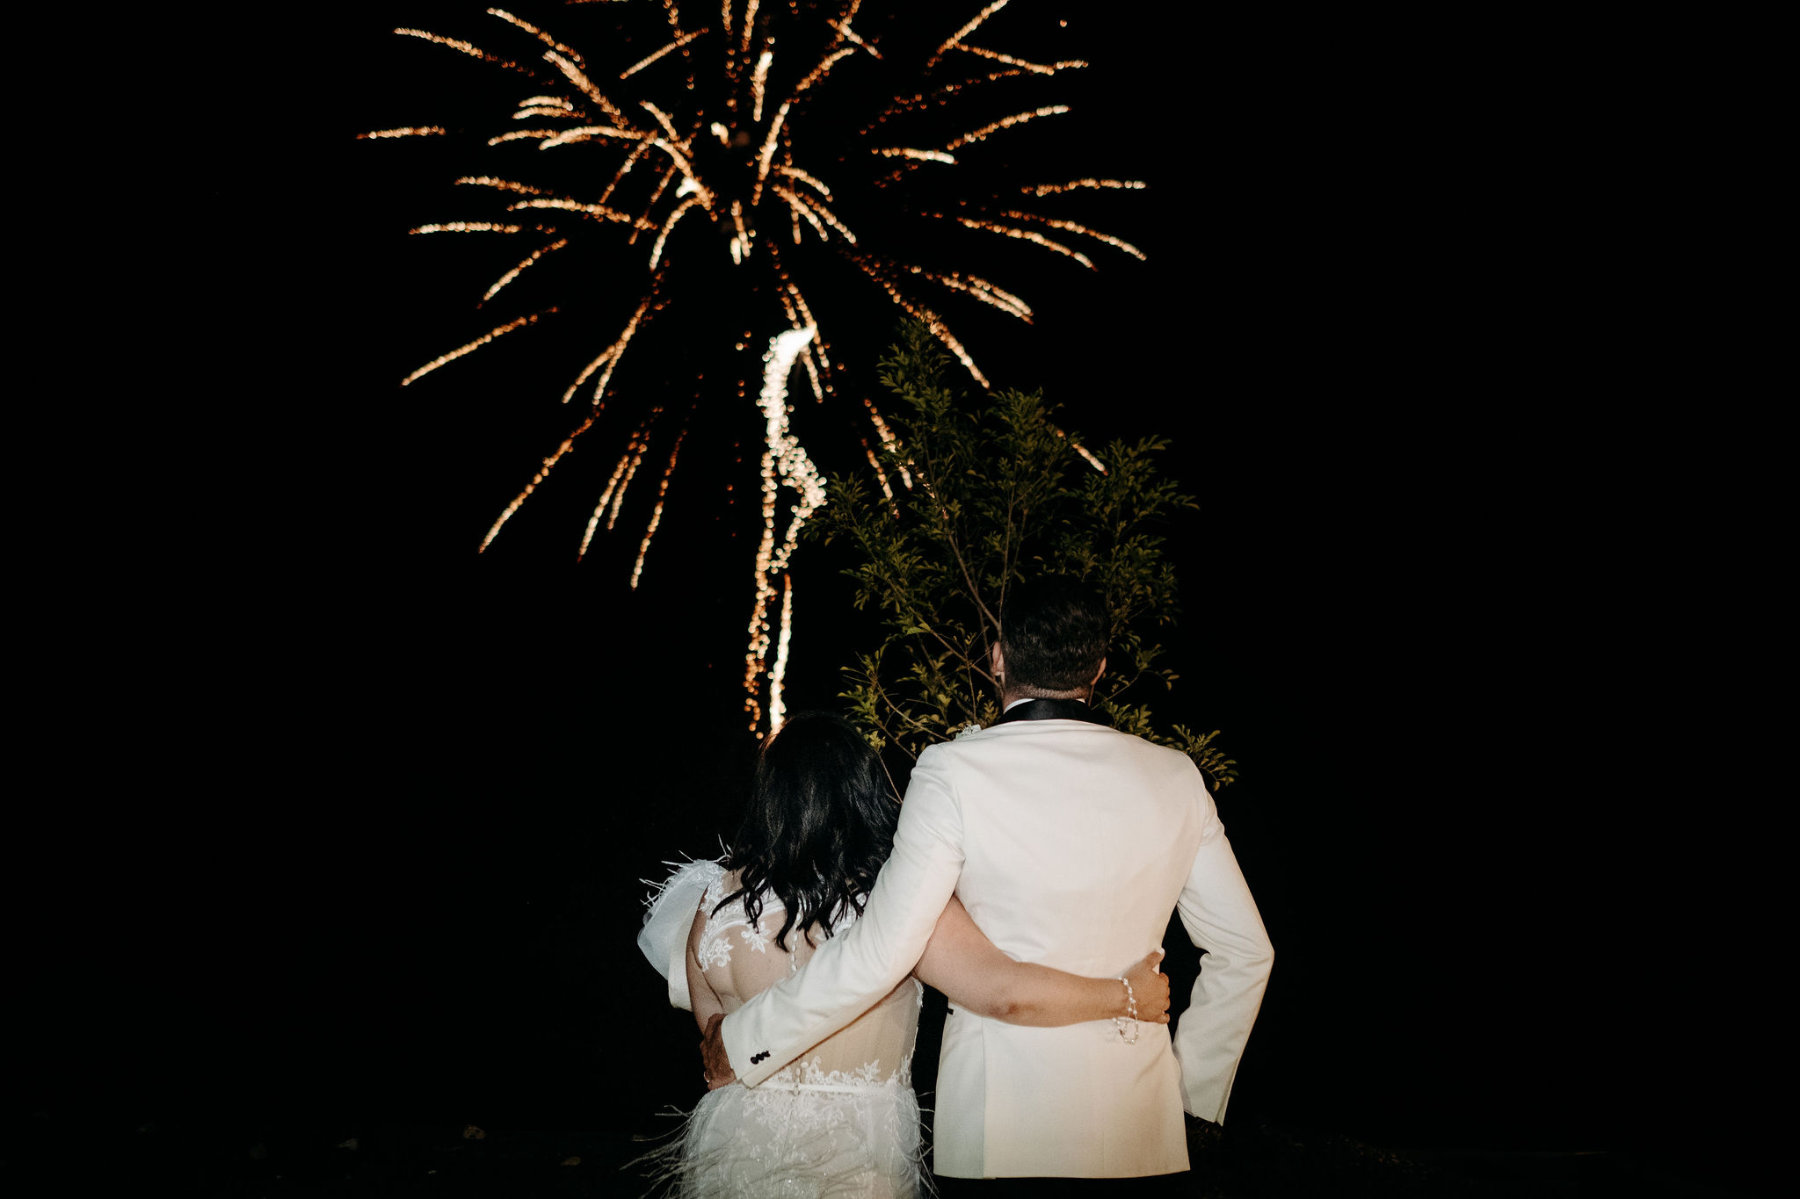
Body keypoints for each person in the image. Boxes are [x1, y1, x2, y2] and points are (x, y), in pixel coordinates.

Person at [702, 577, 1275, 1193]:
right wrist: (1189, 1102)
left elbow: (883, 947)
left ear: (998, 657)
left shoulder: (952, 770)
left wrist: (748, 1041)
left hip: (998, 1130)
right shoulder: (1175, 777)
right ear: (1100, 667)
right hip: (1141, 1131)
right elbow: (1247, 953)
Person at [637, 710, 1170, 1197]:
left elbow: (716, 1053)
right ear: (865, 791)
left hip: (732, 1149)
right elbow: (1002, 991)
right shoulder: (895, 903)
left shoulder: (710, 902)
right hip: (853, 1160)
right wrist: (1124, 995)